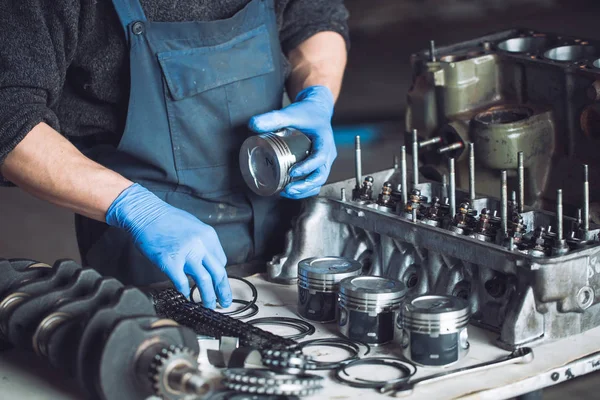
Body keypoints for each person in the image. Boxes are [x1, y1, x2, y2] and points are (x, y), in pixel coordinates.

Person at [0, 1, 349, 309]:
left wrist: (317, 96)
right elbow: (10, 116)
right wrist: (137, 209)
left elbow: (314, 17)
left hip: (282, 228)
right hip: (153, 250)